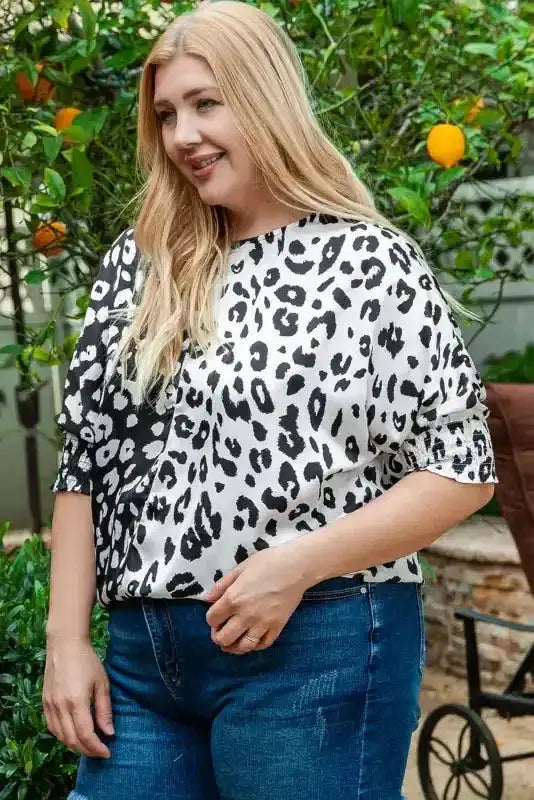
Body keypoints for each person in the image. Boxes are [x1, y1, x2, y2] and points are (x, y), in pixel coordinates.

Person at [42, 2, 497, 798]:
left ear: (265, 99)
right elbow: (87, 462)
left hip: (315, 641)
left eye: (206, 103)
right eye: (167, 114)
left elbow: (461, 470)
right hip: (142, 662)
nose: (184, 135)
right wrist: (64, 641)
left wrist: (296, 564)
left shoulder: (367, 260)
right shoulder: (141, 261)